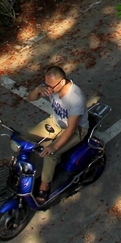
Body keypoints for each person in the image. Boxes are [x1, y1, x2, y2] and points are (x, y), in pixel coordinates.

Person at [27, 65, 88, 204]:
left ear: (61, 82)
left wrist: (53, 147)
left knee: (50, 155)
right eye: (45, 84)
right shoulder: (50, 86)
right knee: (25, 137)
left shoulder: (75, 97)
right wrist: (37, 89)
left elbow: (71, 129)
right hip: (55, 122)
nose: (48, 88)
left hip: (75, 129)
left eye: (51, 86)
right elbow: (30, 98)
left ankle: (44, 185)